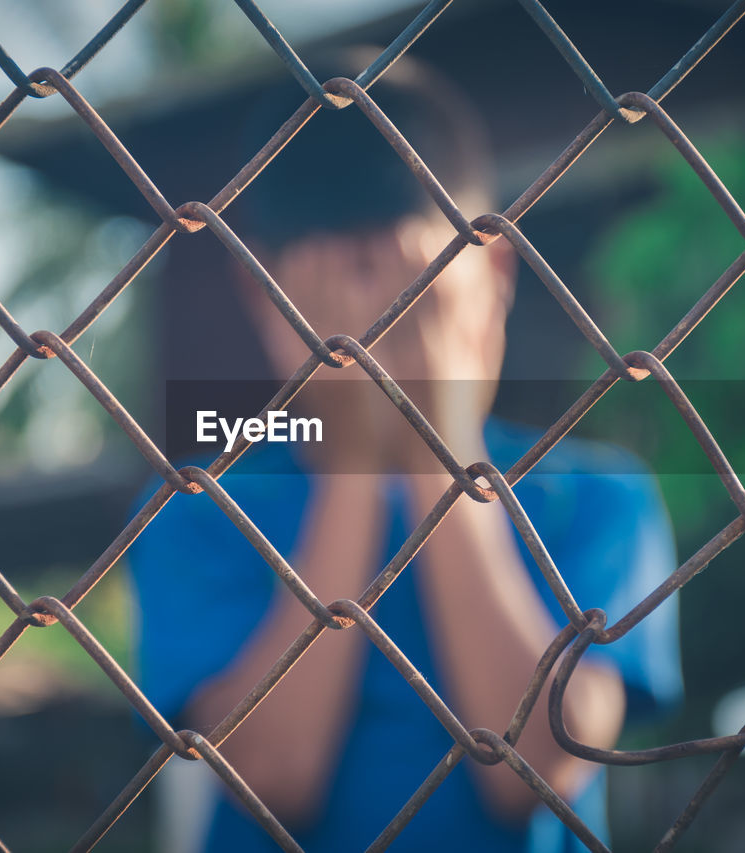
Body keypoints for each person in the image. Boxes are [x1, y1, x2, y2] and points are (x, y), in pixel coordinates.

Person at [127, 53, 681, 853]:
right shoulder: (200, 508)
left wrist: (437, 450)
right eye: (330, 308)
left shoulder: (594, 495)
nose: (374, 342)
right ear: (264, 300)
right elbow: (272, 774)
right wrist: (353, 455)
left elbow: (538, 766)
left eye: (412, 299)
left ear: (492, 270)